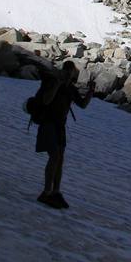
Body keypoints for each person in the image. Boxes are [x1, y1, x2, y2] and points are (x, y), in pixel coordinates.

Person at [35, 60, 95, 209]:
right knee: (55, 157)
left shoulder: (69, 88)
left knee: (59, 159)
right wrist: (57, 85)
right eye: (69, 73)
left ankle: (54, 191)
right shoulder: (55, 83)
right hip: (49, 124)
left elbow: (82, 104)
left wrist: (91, 91)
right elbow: (46, 100)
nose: (69, 75)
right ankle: (47, 192)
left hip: (59, 126)